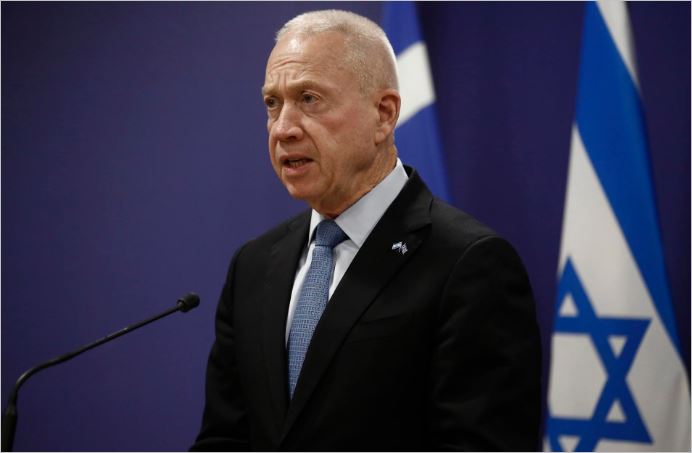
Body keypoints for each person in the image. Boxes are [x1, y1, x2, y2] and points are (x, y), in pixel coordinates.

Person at [191, 9, 541, 451]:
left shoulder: (469, 264)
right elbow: (224, 438)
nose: (283, 129)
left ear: (384, 114)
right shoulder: (254, 266)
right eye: (272, 104)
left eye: (309, 99)